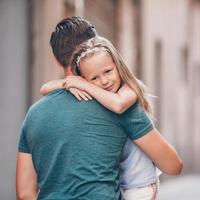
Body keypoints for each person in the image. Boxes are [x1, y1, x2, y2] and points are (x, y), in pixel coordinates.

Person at [16, 17, 182, 200]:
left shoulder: (34, 114)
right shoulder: (117, 104)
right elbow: (173, 166)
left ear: (56, 59)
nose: (103, 81)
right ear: (95, 48)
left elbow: (25, 194)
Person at [39, 38, 159, 199]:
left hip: (141, 185)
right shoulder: (101, 96)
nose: (104, 81)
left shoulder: (129, 88)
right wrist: (69, 83)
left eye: (108, 72)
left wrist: (85, 85)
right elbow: (44, 88)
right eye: (94, 78)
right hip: (121, 184)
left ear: (118, 66)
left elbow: (119, 105)